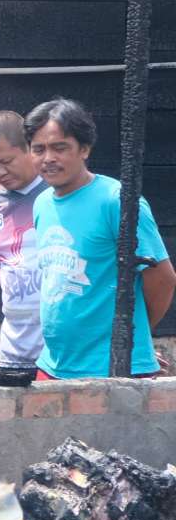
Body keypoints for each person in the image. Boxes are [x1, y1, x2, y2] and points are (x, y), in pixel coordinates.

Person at [25, 98, 175, 379]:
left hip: (112, 369)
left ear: (84, 149)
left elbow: (162, 278)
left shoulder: (118, 202)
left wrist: (131, 341)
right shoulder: (42, 203)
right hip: (53, 364)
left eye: (60, 147)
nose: (48, 158)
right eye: (38, 149)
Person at [0, 109, 49, 386]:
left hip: (64, 350)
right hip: (15, 349)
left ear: (30, 148)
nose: (0, 172)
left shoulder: (58, 191)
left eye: (6, 161)